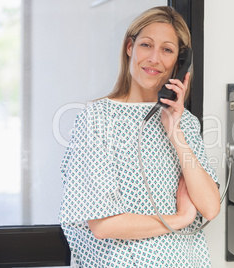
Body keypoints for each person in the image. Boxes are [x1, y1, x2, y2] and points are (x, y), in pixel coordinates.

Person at [59, 6, 220, 267]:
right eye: (146, 45)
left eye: (167, 50)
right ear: (129, 47)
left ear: (180, 62)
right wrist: (179, 219)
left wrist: (175, 134)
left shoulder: (185, 123)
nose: (155, 58)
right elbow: (102, 224)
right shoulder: (97, 119)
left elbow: (210, 207)